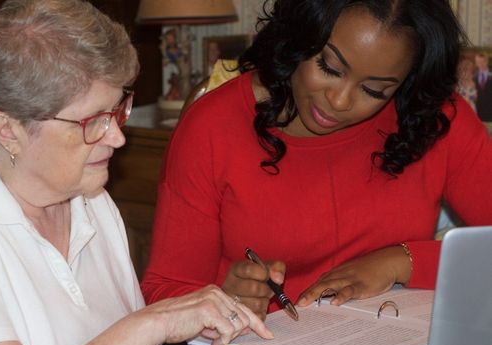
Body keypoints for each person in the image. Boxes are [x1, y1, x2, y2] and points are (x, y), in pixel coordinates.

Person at [0, 1, 273, 345]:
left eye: (118, 109)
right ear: (9, 130)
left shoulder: (89, 200)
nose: (117, 137)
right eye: (93, 121)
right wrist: (151, 325)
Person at [141, 0, 492, 320]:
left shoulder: (434, 119)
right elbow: (164, 291)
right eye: (329, 66)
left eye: (374, 90)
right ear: (299, 37)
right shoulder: (214, 126)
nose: (339, 101)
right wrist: (219, 302)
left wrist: (403, 262)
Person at [474, 52, 492, 121]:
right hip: (477, 113)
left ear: (487, 61)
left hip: (490, 113)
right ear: (476, 63)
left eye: (483, 61)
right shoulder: (473, 77)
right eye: (478, 62)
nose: (481, 64)